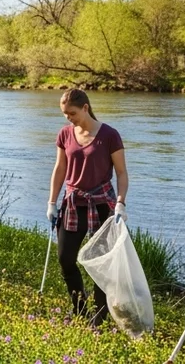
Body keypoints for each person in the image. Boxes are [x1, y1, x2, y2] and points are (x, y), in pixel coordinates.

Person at [45, 89, 129, 327]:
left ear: (85, 107)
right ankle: (79, 307)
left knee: (100, 263)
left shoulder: (110, 135)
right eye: (64, 113)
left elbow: (122, 173)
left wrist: (121, 203)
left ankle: (99, 318)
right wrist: (52, 202)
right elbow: (60, 169)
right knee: (65, 259)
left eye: (71, 112)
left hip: (102, 205)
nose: (67, 118)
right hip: (73, 203)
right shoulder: (65, 134)